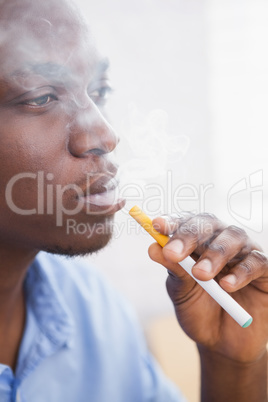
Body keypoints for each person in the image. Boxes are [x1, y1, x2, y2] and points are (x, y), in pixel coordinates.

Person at [0, 0, 267, 401]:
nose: (104, 136)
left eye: (99, 90)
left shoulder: (94, 311)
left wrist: (231, 365)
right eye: (41, 97)